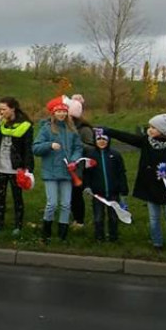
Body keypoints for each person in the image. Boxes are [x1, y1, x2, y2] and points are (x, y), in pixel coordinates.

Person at [103, 114, 166, 252]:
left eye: (154, 127)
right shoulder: (146, 141)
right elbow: (127, 137)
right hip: (150, 186)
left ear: (162, 129)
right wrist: (108, 131)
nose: (150, 130)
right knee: (154, 218)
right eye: (150, 127)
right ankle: (157, 243)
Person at [33, 97, 84, 242]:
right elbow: (36, 148)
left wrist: (74, 160)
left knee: (66, 204)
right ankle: (46, 233)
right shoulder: (46, 129)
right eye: (58, 111)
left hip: (67, 173)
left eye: (64, 111)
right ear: (53, 113)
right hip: (51, 173)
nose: (61, 114)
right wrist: (49, 145)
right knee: (52, 204)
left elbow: (78, 148)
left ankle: (62, 235)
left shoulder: (72, 130)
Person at [0, 97, 34, 236]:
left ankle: (18, 225)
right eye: (0, 109)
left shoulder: (25, 126)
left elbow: (27, 148)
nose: (1, 112)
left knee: (17, 197)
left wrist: (28, 167)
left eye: (4, 109)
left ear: (12, 109)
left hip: (16, 167)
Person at [84, 129, 129, 243]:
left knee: (113, 216)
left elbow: (121, 173)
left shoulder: (115, 155)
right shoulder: (91, 156)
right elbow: (87, 173)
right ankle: (99, 237)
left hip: (113, 192)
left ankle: (113, 237)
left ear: (108, 140)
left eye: (104, 139)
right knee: (98, 217)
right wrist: (87, 186)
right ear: (95, 141)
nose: (101, 141)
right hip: (97, 193)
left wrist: (123, 189)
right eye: (99, 139)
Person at [67, 94, 95, 229]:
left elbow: (91, 148)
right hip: (64, 165)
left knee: (76, 194)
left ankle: (79, 220)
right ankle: (68, 216)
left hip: (78, 168)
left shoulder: (84, 129)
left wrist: (75, 143)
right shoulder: (64, 127)